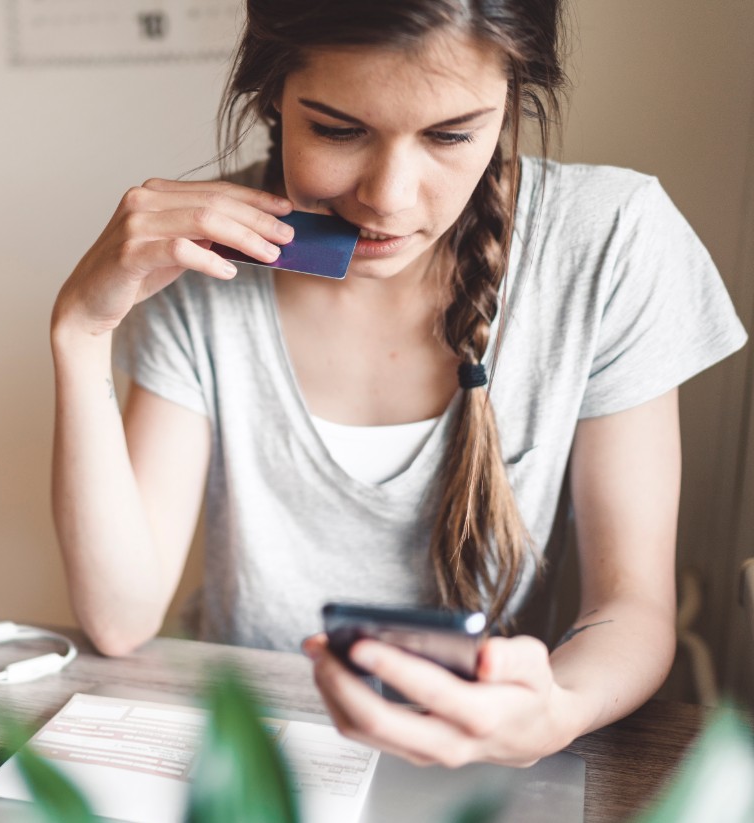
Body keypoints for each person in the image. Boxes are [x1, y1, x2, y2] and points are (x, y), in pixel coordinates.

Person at [49, 0, 746, 767]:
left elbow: (631, 607)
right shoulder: (203, 258)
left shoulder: (611, 240)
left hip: (487, 768)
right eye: (339, 129)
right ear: (270, 91)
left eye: (450, 134)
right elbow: (120, 618)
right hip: (254, 760)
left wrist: (557, 708)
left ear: (513, 100)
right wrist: (80, 332)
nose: (389, 194)